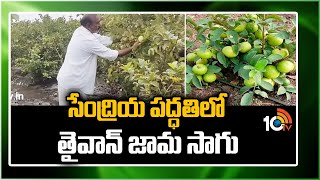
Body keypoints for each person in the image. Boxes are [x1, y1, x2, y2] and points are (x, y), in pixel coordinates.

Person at [57, 14, 141, 105]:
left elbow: (105, 40)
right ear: (88, 25)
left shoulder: (80, 31)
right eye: (97, 23)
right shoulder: (88, 40)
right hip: (73, 84)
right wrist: (132, 48)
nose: (99, 25)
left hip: (68, 80)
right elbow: (112, 54)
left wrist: (124, 37)